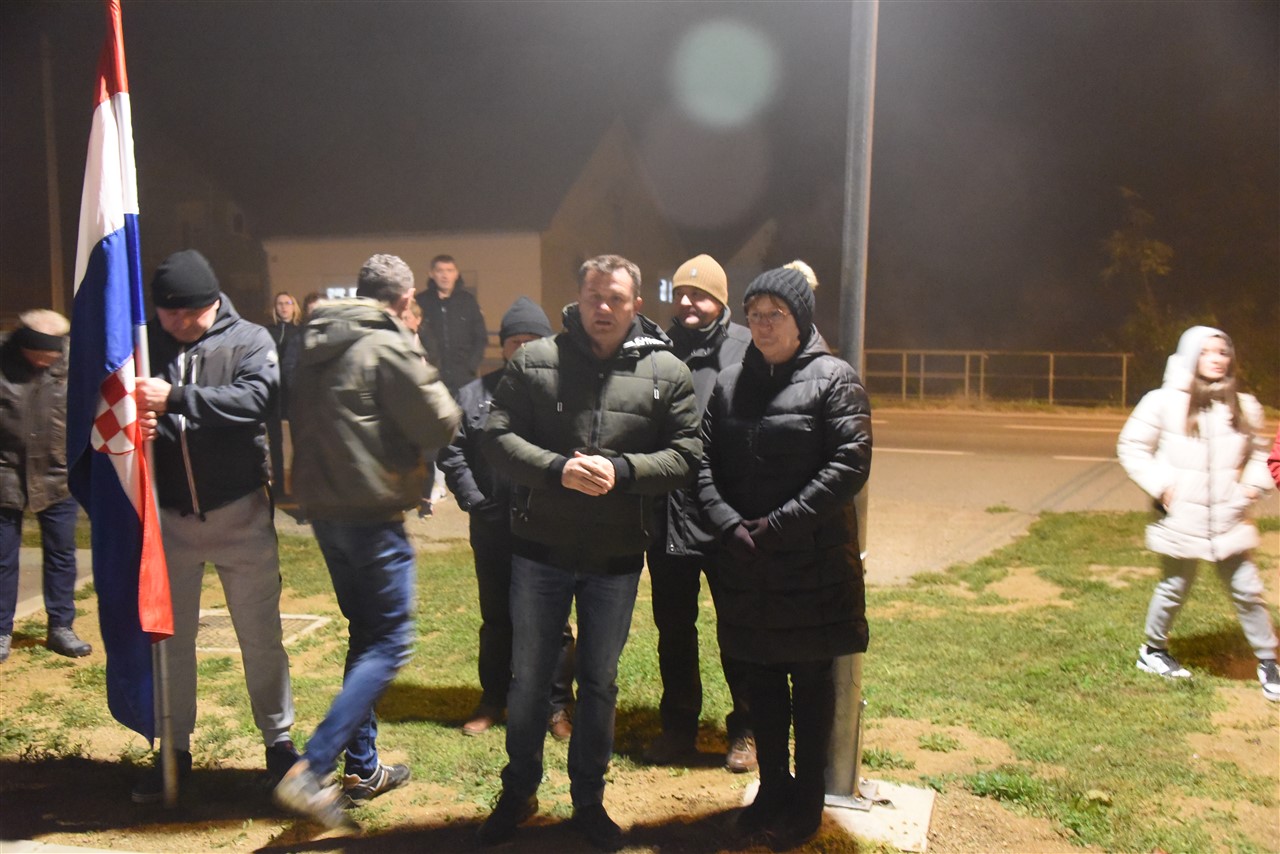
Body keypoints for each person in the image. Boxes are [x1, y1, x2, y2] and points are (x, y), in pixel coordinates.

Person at [476, 255, 700, 851]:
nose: (604, 307)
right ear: (578, 297)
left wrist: (622, 471)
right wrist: (557, 469)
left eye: (617, 298)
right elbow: (495, 437)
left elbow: (687, 456)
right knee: (528, 681)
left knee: (599, 683)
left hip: (615, 558)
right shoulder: (535, 360)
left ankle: (588, 802)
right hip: (540, 551)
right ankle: (518, 792)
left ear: (636, 305)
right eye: (594, 295)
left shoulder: (667, 372)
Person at [274, 254, 461, 828]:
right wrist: (417, 357)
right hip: (372, 512)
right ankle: (312, 768)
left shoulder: (315, 341)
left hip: (325, 511)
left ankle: (362, 768)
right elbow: (440, 422)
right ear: (404, 300)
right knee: (391, 642)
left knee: (366, 636)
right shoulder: (387, 343)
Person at [696, 264, 872, 847]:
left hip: (810, 565)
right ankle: (773, 786)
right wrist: (728, 524)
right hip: (748, 563)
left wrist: (778, 524)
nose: (764, 324)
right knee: (761, 679)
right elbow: (702, 461)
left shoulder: (834, 379)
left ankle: (809, 799)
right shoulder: (730, 384)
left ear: (801, 319)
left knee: (812, 684)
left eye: (776, 313)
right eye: (755, 314)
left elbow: (849, 464)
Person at [131, 249, 296, 802]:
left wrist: (175, 398)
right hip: (171, 519)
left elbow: (258, 399)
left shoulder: (248, 339)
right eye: (168, 312)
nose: (178, 322)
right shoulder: (144, 343)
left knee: (260, 637)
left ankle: (278, 743)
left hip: (238, 511)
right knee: (170, 641)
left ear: (214, 302)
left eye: (190, 312)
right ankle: (174, 749)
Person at [438, 297, 576, 740]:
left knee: (554, 621)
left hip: (549, 527)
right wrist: (475, 500)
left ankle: (558, 705)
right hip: (493, 527)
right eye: (516, 341)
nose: (524, 349)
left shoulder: (564, 395)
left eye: (533, 340)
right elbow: (452, 452)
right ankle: (493, 699)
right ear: (503, 346)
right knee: (497, 618)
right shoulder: (473, 394)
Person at [1117, 325, 1278, 702]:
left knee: (1247, 589)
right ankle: (1153, 651)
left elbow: (1261, 453)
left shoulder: (1244, 405)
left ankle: (1269, 661)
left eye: (1222, 352)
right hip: (1180, 517)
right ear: (1189, 356)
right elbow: (1132, 446)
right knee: (1174, 587)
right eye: (1206, 352)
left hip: (1228, 516)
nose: (1216, 359)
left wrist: (1251, 488)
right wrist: (1161, 486)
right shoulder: (1161, 402)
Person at [642, 254, 755, 772]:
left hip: (725, 513)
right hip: (668, 513)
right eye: (682, 293)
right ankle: (678, 727)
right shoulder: (658, 348)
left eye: (700, 294)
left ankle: (748, 729)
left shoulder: (746, 349)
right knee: (673, 629)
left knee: (738, 626)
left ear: (720, 300)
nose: (688, 302)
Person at [0, 309, 90, 664]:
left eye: (53, 352)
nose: (48, 359)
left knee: (62, 553)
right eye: (40, 353)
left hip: (57, 474)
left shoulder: (74, 363)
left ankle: (61, 626)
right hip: (4, 474)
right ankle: (1, 630)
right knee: (3, 557)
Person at [415, 255, 488, 517]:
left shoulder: (467, 301)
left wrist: (470, 365)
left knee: (465, 428)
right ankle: (434, 486)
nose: (445, 275)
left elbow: (480, 338)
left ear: (456, 273)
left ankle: (468, 480)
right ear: (431, 273)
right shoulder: (423, 302)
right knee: (434, 431)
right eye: (440, 270)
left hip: (463, 378)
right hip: (434, 377)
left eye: (450, 270)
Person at [267, 292, 301, 500]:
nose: (283, 307)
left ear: (294, 306)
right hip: (273, 391)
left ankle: (298, 485)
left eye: (287, 303)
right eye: (279, 303)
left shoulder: (300, 331)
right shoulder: (267, 331)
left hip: (294, 392)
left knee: (298, 438)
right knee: (275, 441)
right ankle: (279, 485)